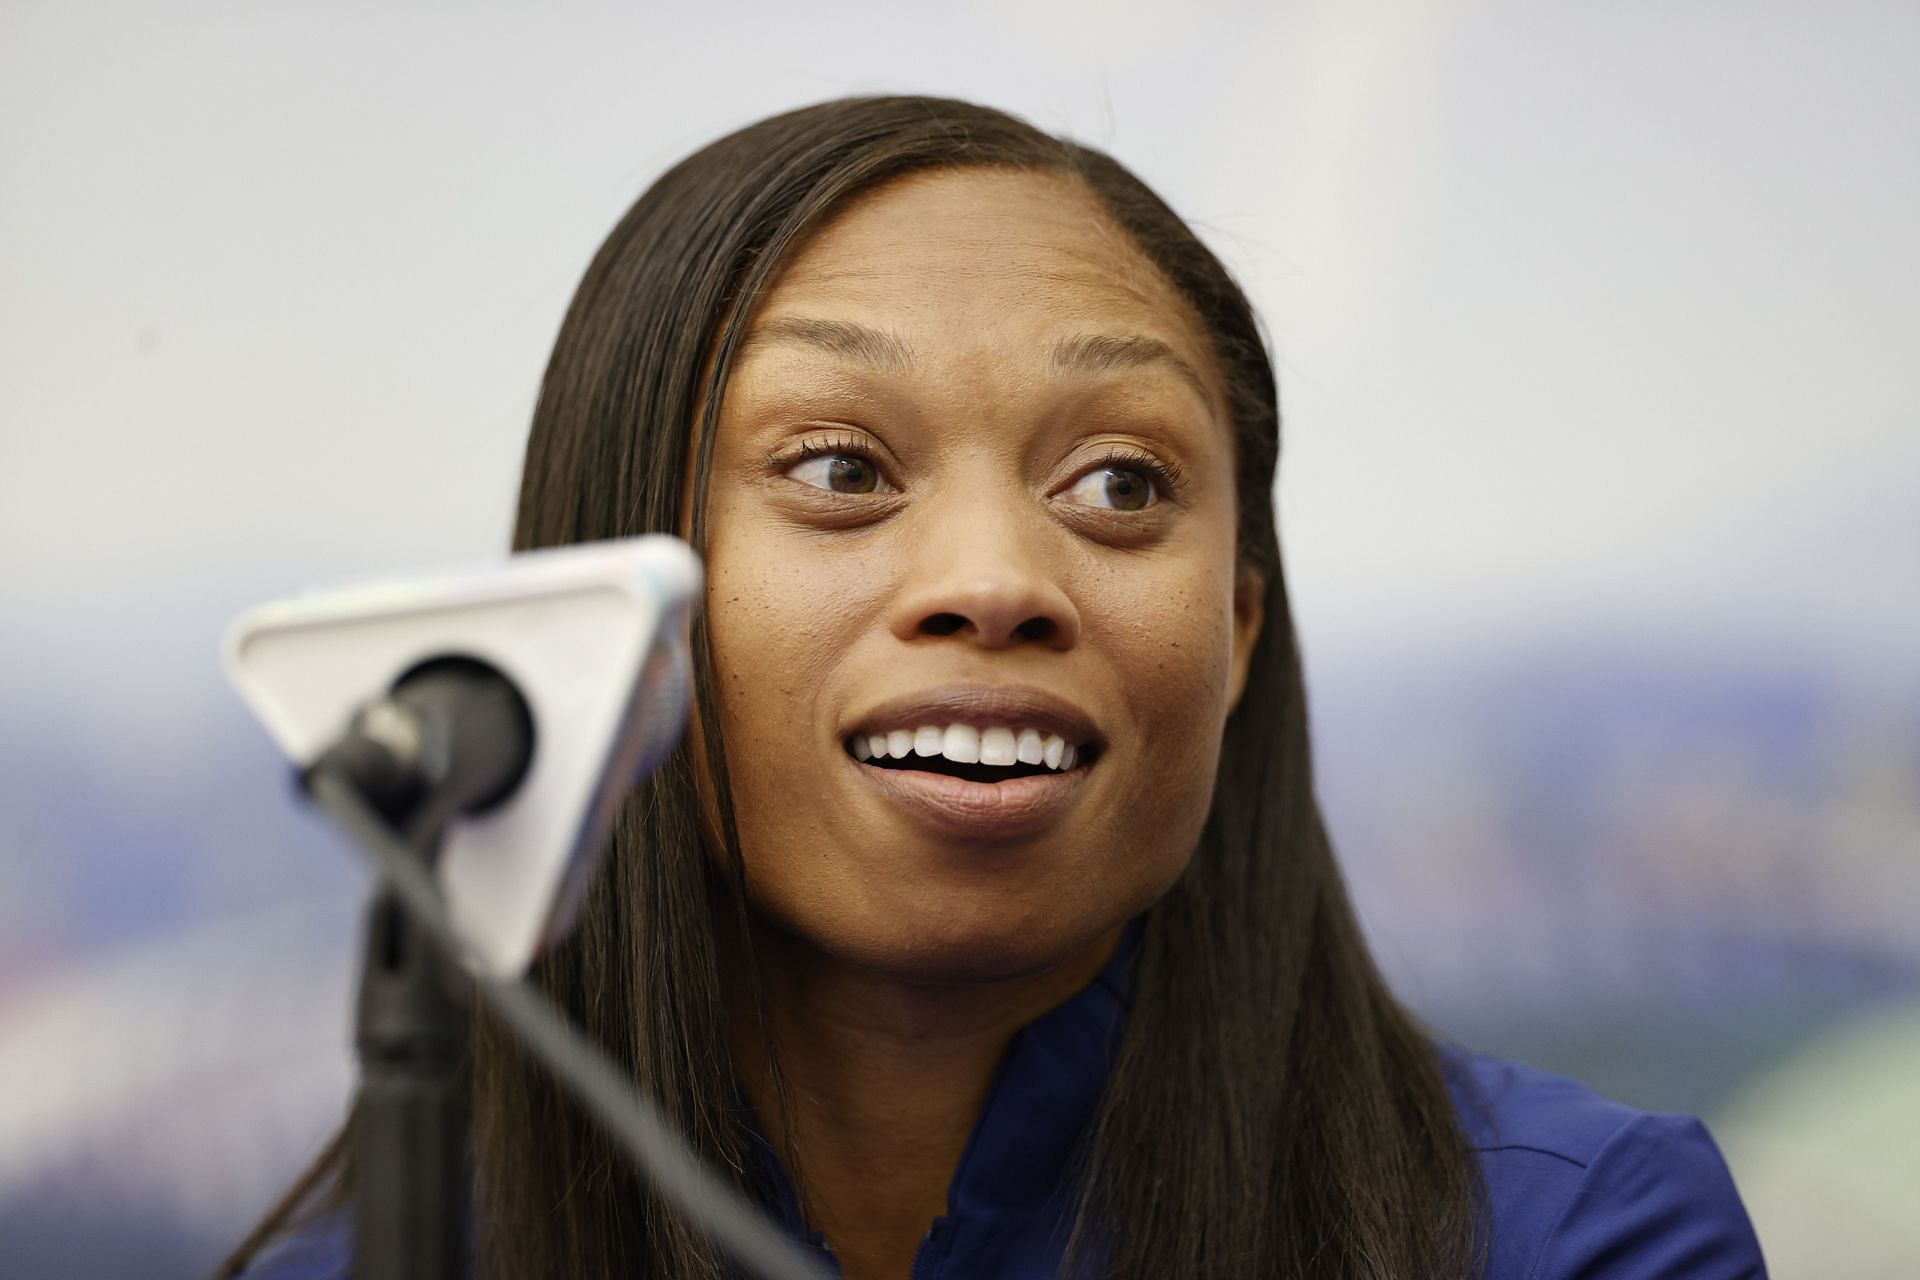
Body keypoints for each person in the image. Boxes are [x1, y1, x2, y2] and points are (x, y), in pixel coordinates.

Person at [223, 96, 1766, 1280]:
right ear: (614, 610)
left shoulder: (1580, 1239)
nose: (998, 578)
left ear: (1236, 633)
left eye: (1117, 483)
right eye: (839, 468)